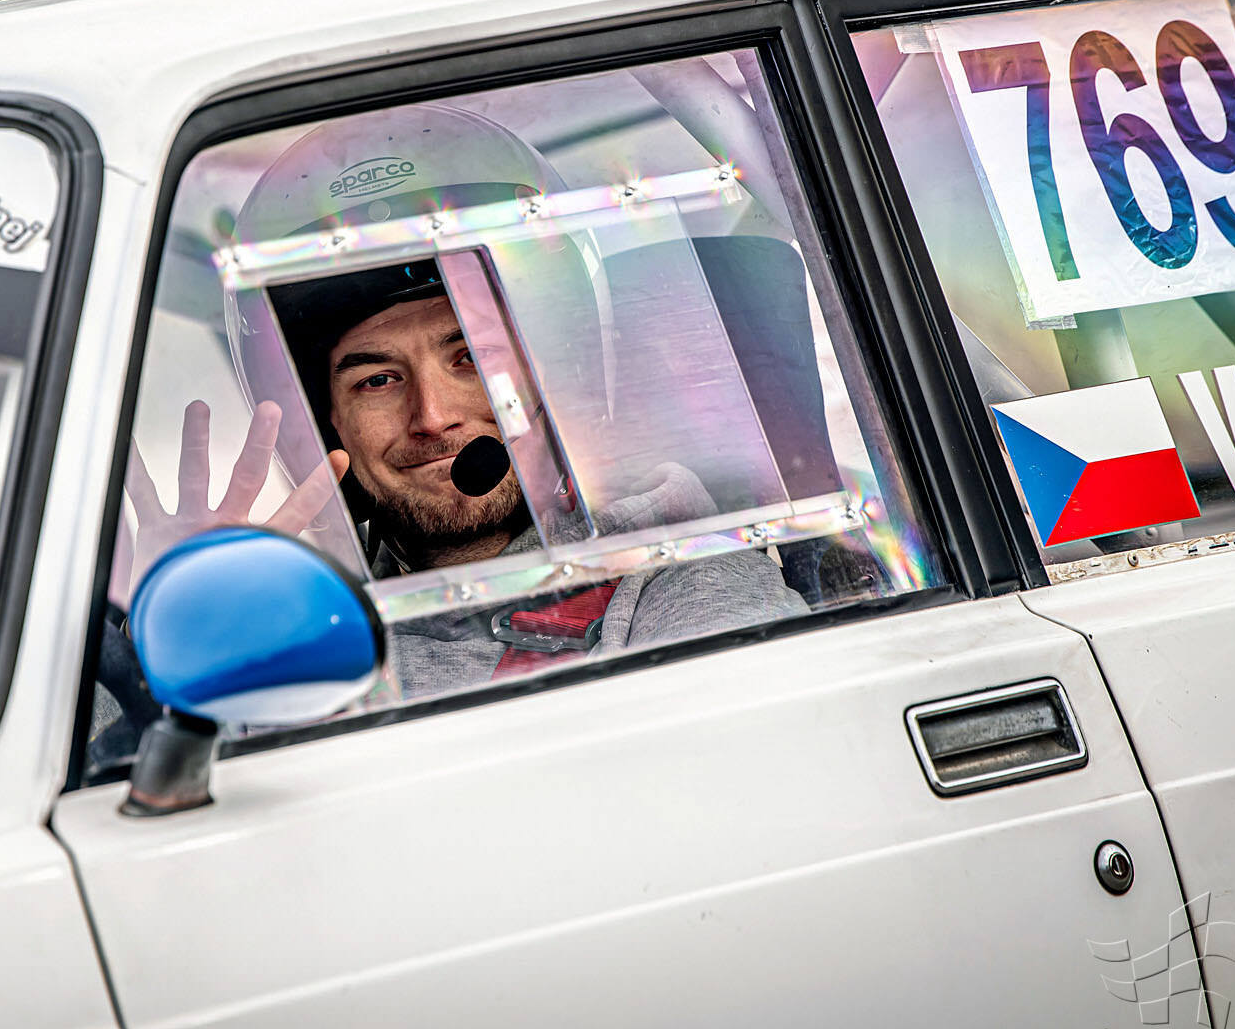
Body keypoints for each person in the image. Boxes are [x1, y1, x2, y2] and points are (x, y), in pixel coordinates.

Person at [120, 104, 807, 704]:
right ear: (325, 424)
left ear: (554, 370)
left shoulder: (674, 580)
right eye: (377, 380)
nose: (432, 417)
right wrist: (161, 634)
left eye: (471, 359)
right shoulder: (282, 631)